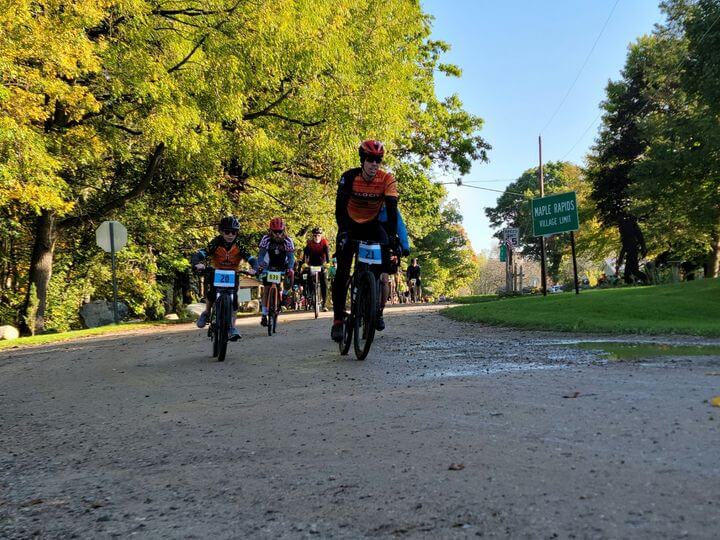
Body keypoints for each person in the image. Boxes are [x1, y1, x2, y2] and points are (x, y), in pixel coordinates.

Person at [331, 140, 399, 342]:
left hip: (372, 225)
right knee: (342, 272)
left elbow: (392, 211)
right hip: (349, 225)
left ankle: (373, 308)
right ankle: (337, 320)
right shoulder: (349, 177)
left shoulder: (387, 179)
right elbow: (339, 208)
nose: (374, 164)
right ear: (363, 160)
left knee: (382, 262)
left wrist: (394, 238)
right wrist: (342, 231)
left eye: (378, 160)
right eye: (370, 160)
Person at [191, 216, 255, 341]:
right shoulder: (216, 242)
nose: (230, 235)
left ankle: (232, 327)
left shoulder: (239, 244)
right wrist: (197, 262)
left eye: (234, 232)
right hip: (217, 272)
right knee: (212, 292)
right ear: (221, 231)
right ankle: (207, 312)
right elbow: (202, 253)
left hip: (233, 273)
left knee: (235, 300)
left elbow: (251, 258)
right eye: (227, 232)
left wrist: (254, 267)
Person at [257, 217, 295, 326]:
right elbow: (261, 255)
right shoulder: (266, 239)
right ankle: (264, 314)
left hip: (283, 264)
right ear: (270, 231)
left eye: (280, 232)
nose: (277, 234)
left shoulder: (288, 240)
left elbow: (291, 258)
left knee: (291, 274)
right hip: (269, 264)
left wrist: (290, 268)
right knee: (267, 288)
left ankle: (285, 294)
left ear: (283, 231)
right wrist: (261, 266)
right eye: (275, 232)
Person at [304, 227, 331, 311]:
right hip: (312, 263)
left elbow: (327, 254)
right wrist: (305, 263)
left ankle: (324, 304)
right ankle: (310, 295)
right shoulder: (309, 243)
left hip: (321, 264)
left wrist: (328, 263)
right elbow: (306, 255)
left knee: (324, 282)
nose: (316, 237)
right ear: (313, 236)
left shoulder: (324, 242)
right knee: (308, 276)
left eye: (318, 235)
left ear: (321, 236)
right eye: (315, 235)